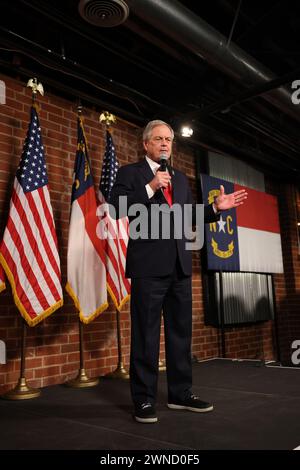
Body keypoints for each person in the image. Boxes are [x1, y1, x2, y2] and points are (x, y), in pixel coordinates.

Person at [110, 120, 247, 423]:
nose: (164, 144)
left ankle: (180, 394)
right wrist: (150, 187)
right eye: (158, 139)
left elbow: (187, 217)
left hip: (180, 267)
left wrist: (214, 209)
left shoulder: (180, 179)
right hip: (148, 268)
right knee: (146, 336)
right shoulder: (130, 174)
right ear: (145, 144)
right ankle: (144, 400)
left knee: (180, 336)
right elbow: (115, 208)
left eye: (169, 140)